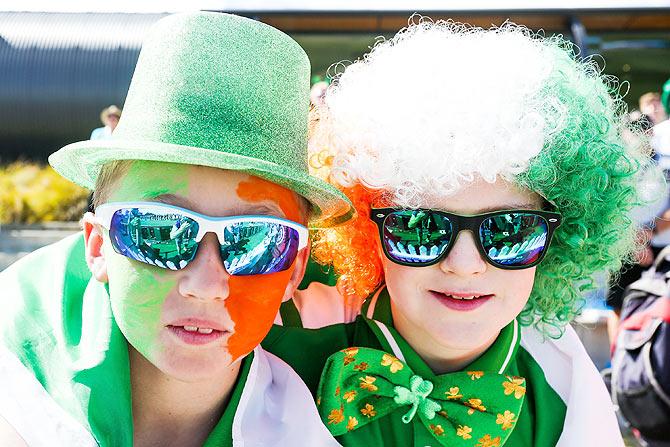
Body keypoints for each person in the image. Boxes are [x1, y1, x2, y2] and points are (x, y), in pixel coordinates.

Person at [263, 18, 656, 446]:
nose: (464, 265)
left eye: (509, 231)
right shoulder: (283, 342)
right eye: (420, 228)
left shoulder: (566, 392)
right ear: (368, 229)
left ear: (559, 239)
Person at [0, 12, 352, 447]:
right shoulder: (14, 393)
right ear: (96, 246)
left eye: (257, 241)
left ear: (295, 270)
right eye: (161, 232)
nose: (207, 285)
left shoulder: (314, 429)